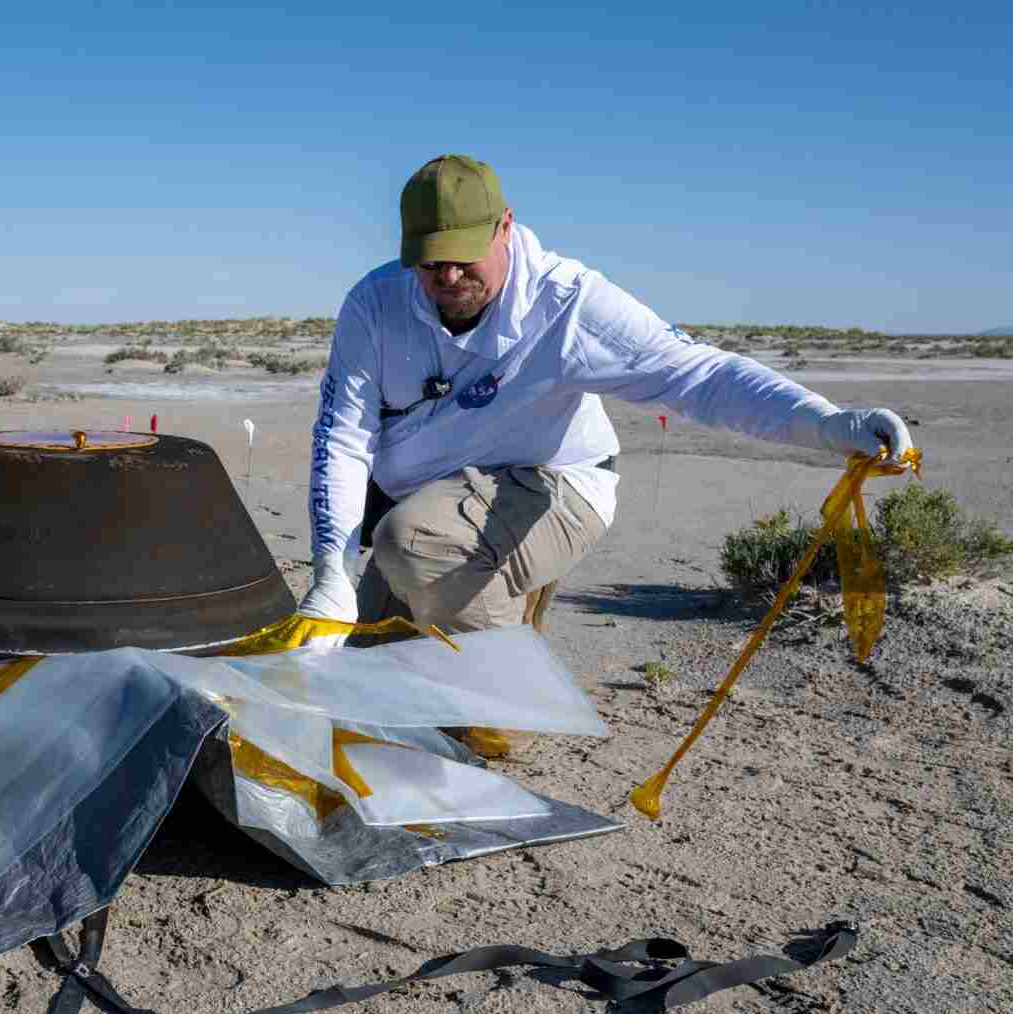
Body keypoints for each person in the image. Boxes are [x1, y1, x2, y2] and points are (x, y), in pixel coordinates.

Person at [300, 155, 914, 750]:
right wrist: (331, 570)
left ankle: (501, 701)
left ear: (505, 227)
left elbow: (702, 376)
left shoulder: (569, 304)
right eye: (431, 263)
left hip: (553, 485)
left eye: (463, 258)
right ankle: (491, 613)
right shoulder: (375, 305)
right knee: (364, 682)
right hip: (432, 497)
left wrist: (827, 423)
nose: (448, 279)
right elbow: (345, 436)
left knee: (413, 548)